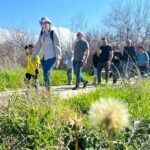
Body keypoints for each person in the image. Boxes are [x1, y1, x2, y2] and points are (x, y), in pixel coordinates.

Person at [32, 17, 61, 90]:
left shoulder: (53, 33)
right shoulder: (41, 34)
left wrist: (58, 59)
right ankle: (47, 89)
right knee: (45, 74)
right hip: (43, 58)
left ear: (49, 24)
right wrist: (33, 56)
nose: (44, 24)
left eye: (45, 23)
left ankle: (48, 91)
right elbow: (38, 45)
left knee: (46, 72)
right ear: (41, 25)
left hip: (52, 57)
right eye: (42, 23)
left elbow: (57, 45)